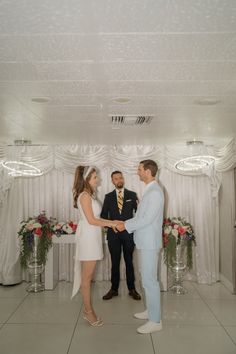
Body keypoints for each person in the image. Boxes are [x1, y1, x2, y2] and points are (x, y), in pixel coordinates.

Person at [116, 160, 164, 334]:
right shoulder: (151, 190)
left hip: (149, 243)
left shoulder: (155, 192)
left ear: (148, 171)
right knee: (146, 278)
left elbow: (146, 219)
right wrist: (125, 223)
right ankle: (151, 311)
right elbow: (140, 216)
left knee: (150, 281)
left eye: (139, 169)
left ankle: (155, 320)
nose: (137, 172)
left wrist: (124, 225)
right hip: (145, 242)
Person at [71, 165, 117, 327]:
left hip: (93, 236)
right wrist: (112, 223)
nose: (98, 179)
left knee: (88, 276)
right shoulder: (84, 196)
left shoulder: (89, 195)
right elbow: (91, 220)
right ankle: (88, 312)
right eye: (95, 177)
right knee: (87, 277)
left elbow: (96, 219)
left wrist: (111, 222)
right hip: (88, 238)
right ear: (87, 179)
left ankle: (87, 310)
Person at [101, 171, 141, 300]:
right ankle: (114, 289)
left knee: (129, 261)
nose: (119, 180)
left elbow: (139, 214)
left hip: (129, 234)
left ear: (123, 179)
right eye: (116, 179)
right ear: (112, 181)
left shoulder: (132, 195)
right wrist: (112, 225)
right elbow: (103, 217)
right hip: (113, 235)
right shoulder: (108, 197)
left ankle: (132, 289)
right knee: (115, 262)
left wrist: (133, 226)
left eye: (120, 178)